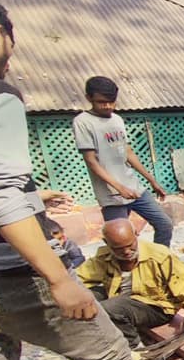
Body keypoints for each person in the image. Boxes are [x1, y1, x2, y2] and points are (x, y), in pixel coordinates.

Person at [0, 0, 180, 360]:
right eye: (10, 40)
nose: (11, 53)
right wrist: (57, 278)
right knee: (108, 347)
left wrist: (36, 197)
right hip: (3, 269)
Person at [74, 76, 174, 248]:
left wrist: (152, 180)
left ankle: (158, 262)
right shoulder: (83, 122)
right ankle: (122, 272)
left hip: (134, 187)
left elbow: (127, 151)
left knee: (164, 224)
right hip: (111, 194)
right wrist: (119, 188)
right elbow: (91, 162)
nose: (108, 106)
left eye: (112, 102)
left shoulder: (117, 119)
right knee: (119, 240)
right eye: (102, 102)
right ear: (89, 98)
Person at [77, 219, 184, 349]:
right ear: (107, 243)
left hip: (156, 306)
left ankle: (135, 348)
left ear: (136, 234)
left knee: (109, 308)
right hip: (121, 297)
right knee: (83, 298)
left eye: (130, 245)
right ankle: (95, 339)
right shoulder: (104, 257)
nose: (126, 252)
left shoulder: (159, 254)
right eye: (118, 249)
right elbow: (79, 278)